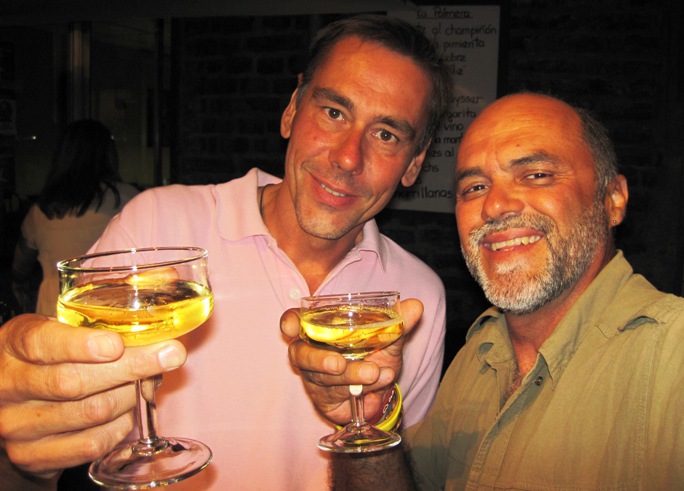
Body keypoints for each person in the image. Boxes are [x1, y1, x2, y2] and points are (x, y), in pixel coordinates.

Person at [0, 15, 450, 490]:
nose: (347, 157)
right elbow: (44, 434)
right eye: (333, 112)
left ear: (414, 164)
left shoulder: (419, 298)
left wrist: (374, 420)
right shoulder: (156, 225)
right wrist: (18, 423)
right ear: (292, 109)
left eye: (386, 135)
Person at [283, 92, 684, 490]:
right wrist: (370, 422)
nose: (494, 206)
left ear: (613, 199)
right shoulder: (480, 353)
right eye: (474, 187)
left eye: (536, 175)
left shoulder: (671, 355)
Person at [11, 119, 139, 316]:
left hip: (55, 315)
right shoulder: (129, 200)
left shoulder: (43, 210)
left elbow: (19, 268)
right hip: (112, 313)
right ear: (109, 154)